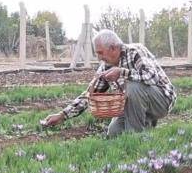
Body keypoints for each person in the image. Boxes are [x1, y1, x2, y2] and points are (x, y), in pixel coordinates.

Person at [41, 30, 176, 137]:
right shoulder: (106, 65)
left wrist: (122, 72)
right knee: (114, 133)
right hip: (132, 104)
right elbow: (90, 94)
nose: (99, 58)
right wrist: (62, 115)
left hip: (161, 100)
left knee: (133, 87)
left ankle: (135, 140)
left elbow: (152, 77)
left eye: (100, 53)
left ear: (113, 48)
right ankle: (144, 124)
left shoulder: (135, 51)